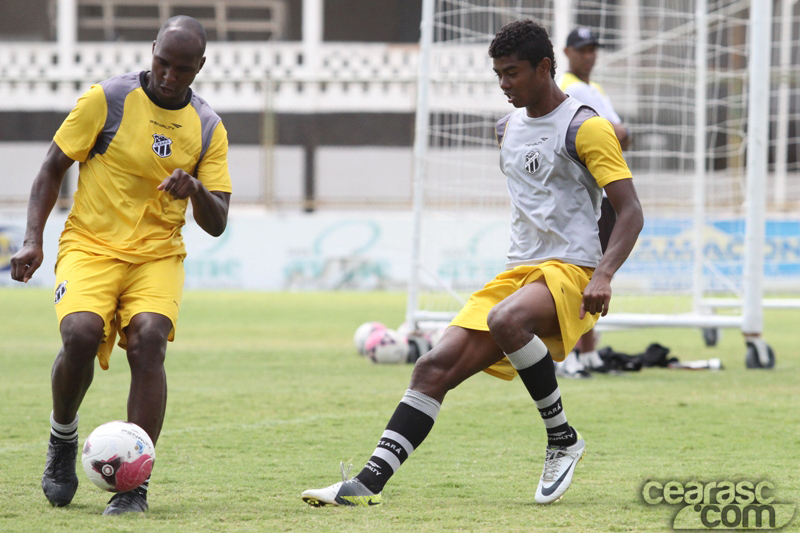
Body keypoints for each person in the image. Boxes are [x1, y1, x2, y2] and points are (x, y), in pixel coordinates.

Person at [301, 19, 642, 507]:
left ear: (545, 68)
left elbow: (629, 210)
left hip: (572, 271)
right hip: (519, 272)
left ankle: (562, 436)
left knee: (507, 318)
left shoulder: (586, 128)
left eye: (513, 73)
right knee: (431, 368)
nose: (503, 84)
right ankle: (363, 484)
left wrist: (605, 273)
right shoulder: (505, 128)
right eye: (498, 74)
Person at [9, 15, 232, 515]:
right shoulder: (106, 100)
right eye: (162, 63)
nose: (169, 76)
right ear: (152, 50)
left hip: (156, 255)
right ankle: (63, 438)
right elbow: (51, 168)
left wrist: (194, 187)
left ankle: (135, 487)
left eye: (182, 69)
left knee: (150, 340)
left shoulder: (209, 127)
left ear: (200, 66)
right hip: (90, 244)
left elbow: (217, 222)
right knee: (81, 335)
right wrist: (32, 241)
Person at [557, 26, 632, 377]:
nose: (589, 55)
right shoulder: (572, 88)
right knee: (575, 273)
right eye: (582, 49)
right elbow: (616, 132)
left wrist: (615, 132)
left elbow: (622, 136)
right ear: (566, 52)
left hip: (599, 192)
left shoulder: (594, 89)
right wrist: (614, 131)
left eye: (592, 49)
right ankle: (567, 354)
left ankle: (586, 354)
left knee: (590, 275)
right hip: (581, 197)